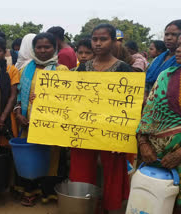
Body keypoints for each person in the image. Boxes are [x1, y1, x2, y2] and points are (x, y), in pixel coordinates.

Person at [72, 24, 132, 214]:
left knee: (112, 172)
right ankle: (87, 206)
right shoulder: (83, 68)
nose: (98, 43)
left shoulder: (125, 69)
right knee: (83, 169)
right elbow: (70, 98)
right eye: (95, 39)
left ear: (114, 41)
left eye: (103, 39)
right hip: (84, 129)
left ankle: (110, 207)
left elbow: (130, 104)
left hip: (111, 131)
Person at [15, 32, 68, 206]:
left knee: (51, 157)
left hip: (51, 123)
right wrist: (18, 113)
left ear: (55, 48)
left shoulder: (62, 70)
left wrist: (48, 97)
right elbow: (18, 96)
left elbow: (69, 98)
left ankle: (48, 193)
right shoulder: (25, 69)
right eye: (39, 47)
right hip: (27, 122)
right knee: (31, 156)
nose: (43, 50)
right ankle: (30, 191)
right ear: (33, 49)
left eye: (47, 47)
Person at [137, 34, 181, 214]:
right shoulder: (166, 75)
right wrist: (143, 143)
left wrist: (179, 154)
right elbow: (148, 112)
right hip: (155, 159)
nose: (178, 49)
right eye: (179, 45)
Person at [145, 20, 181, 96]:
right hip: (149, 102)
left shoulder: (179, 61)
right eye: (166, 34)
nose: (169, 38)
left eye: (174, 35)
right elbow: (147, 80)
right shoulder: (158, 59)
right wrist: (145, 96)